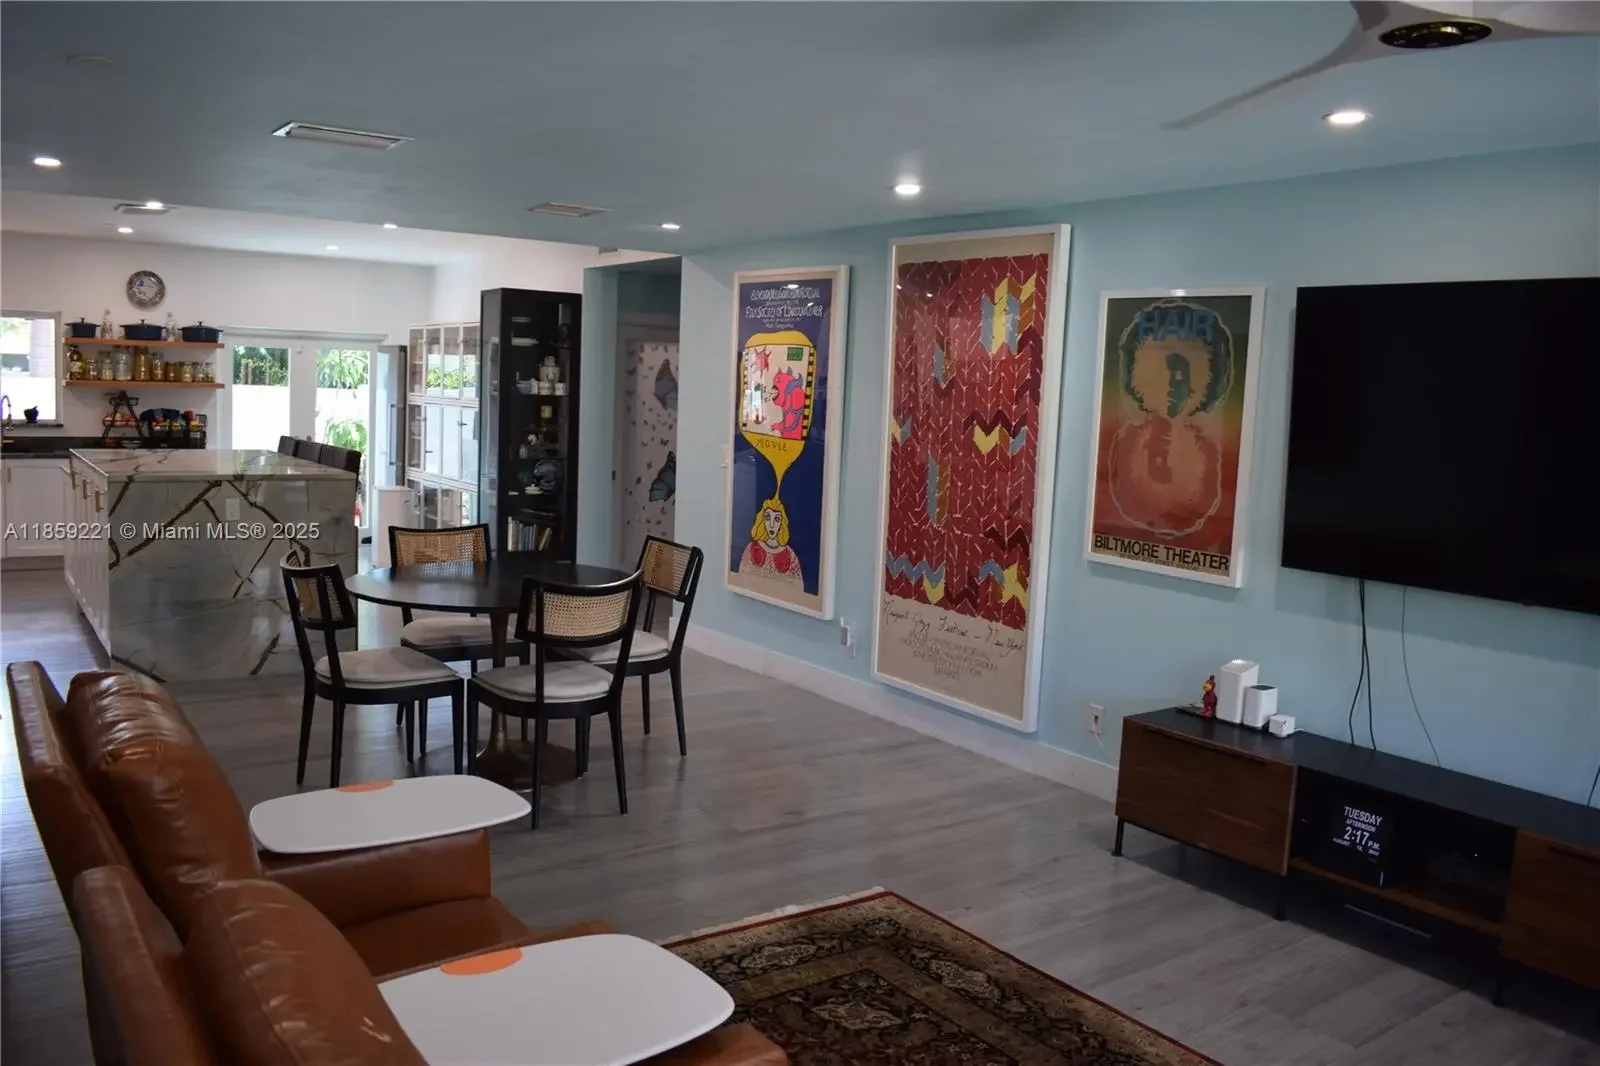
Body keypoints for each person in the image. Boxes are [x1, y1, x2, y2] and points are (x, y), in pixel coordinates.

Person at [738, 496, 803, 586]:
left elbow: (798, 588)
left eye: (777, 519)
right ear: (762, 520)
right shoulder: (751, 549)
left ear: (782, 523)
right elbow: (741, 580)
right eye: (768, 518)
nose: (771, 525)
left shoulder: (791, 555)